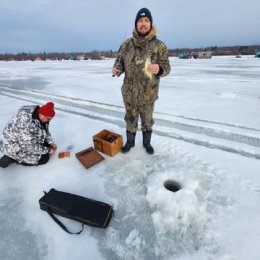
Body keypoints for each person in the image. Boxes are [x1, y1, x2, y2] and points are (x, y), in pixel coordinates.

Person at [112, 7, 171, 154]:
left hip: (148, 95)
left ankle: (147, 143)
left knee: (147, 122)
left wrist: (159, 69)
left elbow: (167, 67)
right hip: (130, 94)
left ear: (150, 24)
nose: (143, 24)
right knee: (130, 120)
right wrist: (117, 69)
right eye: (140, 21)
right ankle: (130, 143)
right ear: (136, 24)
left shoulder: (159, 46)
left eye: (146, 21)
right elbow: (119, 62)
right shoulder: (127, 44)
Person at [0, 102, 57, 168]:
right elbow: (29, 146)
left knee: (47, 145)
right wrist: (48, 150)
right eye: (49, 119)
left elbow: (44, 129)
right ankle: (12, 157)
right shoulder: (26, 123)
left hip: (24, 139)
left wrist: (50, 142)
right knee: (44, 158)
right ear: (42, 115)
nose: (49, 121)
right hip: (13, 146)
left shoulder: (40, 114)